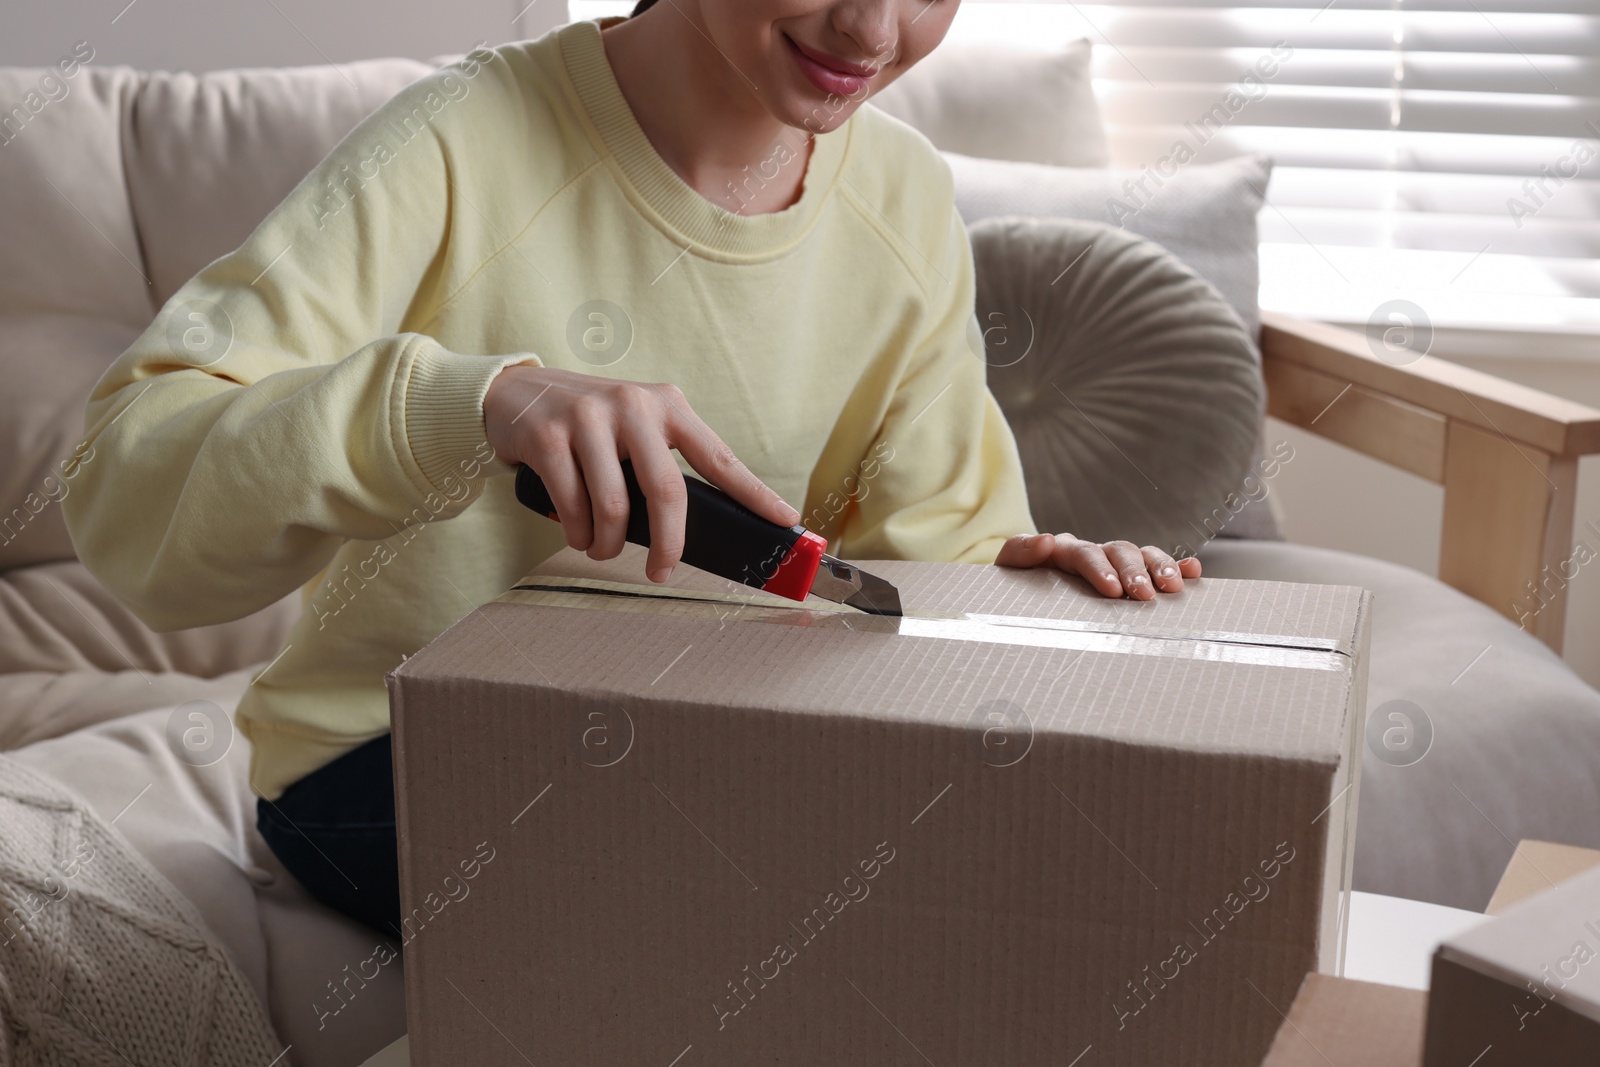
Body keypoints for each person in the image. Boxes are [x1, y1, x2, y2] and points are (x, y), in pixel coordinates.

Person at [63, 0, 1200, 939]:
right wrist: (470, 401)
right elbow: (127, 482)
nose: (870, 28)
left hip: (710, 745)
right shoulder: (458, 139)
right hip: (388, 756)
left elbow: (928, 552)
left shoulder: (900, 191)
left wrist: (1025, 573)